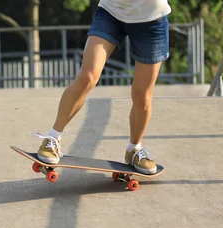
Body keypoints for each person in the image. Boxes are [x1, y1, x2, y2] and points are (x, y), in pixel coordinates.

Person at [36, 0, 171, 175]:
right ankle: (53, 137)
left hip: (152, 19)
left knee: (142, 96)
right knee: (88, 76)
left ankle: (134, 149)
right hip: (111, 13)